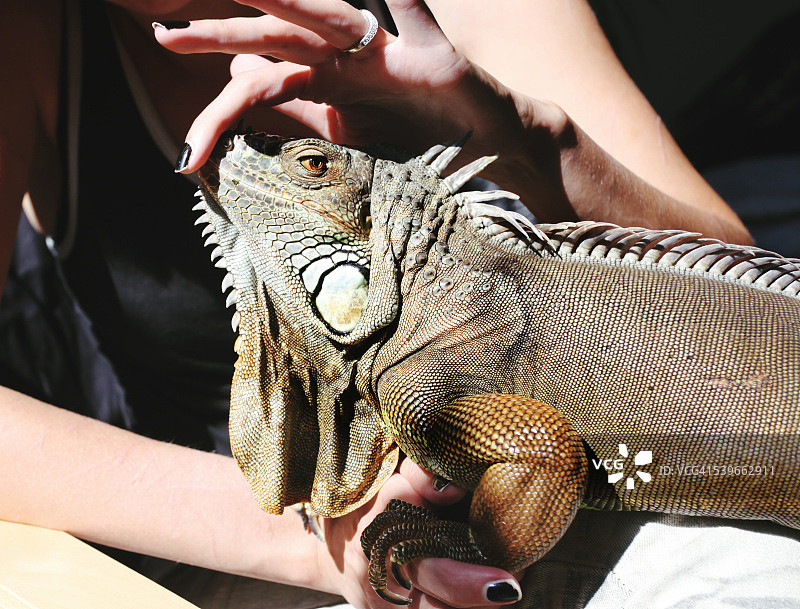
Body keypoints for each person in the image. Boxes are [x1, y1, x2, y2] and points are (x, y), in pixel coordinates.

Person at [1, 1, 795, 609]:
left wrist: (512, 131)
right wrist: (326, 542)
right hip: (241, 544)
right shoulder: (37, 30)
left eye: (311, 166)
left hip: (604, 487)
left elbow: (732, 289)